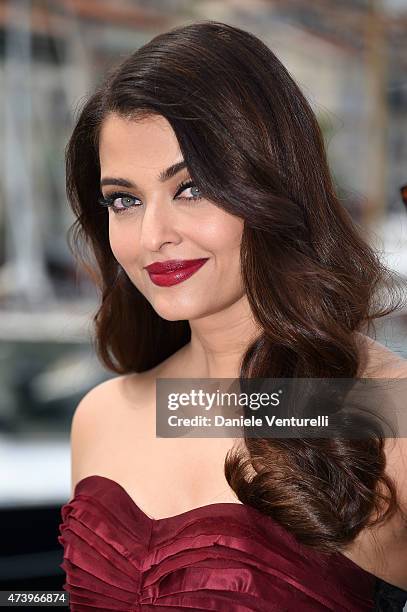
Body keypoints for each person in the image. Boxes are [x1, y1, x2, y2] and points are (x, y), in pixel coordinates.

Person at [57, 20, 407, 611]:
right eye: (125, 200)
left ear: (271, 186)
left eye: (191, 188)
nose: (152, 237)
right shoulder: (102, 416)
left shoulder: (380, 408)